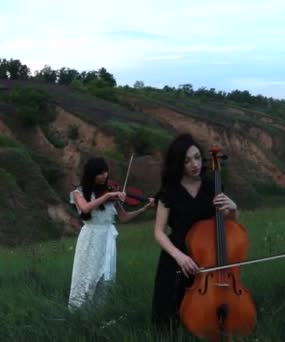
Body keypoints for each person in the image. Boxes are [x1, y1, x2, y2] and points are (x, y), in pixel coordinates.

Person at [150, 133, 239, 331]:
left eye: (197, 157)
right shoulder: (169, 192)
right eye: (187, 160)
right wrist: (179, 257)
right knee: (170, 322)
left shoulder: (212, 187)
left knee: (207, 321)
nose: (194, 164)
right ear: (178, 164)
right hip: (177, 258)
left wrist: (233, 209)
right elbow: (159, 232)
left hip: (208, 257)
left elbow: (230, 224)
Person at [68, 156, 155, 311]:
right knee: (88, 275)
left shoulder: (110, 195)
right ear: (91, 174)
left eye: (106, 172)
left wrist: (143, 209)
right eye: (100, 173)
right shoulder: (78, 193)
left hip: (107, 239)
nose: (105, 176)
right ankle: (80, 311)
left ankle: (100, 310)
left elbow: (124, 217)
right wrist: (107, 196)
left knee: (104, 276)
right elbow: (86, 208)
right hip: (90, 237)